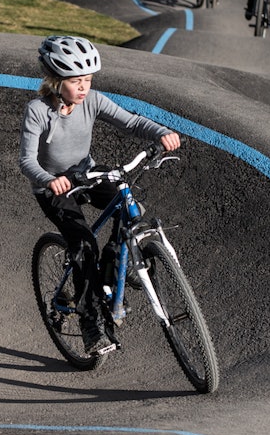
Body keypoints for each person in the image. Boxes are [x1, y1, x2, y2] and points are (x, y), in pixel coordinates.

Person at [19, 36, 181, 355]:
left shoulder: (92, 100)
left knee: (129, 205)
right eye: (76, 81)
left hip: (87, 173)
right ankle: (90, 322)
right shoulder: (38, 111)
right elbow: (26, 160)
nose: (84, 87)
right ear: (55, 81)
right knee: (83, 246)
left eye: (88, 80)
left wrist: (161, 132)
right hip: (53, 188)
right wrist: (49, 180)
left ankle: (119, 265)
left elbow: (131, 122)